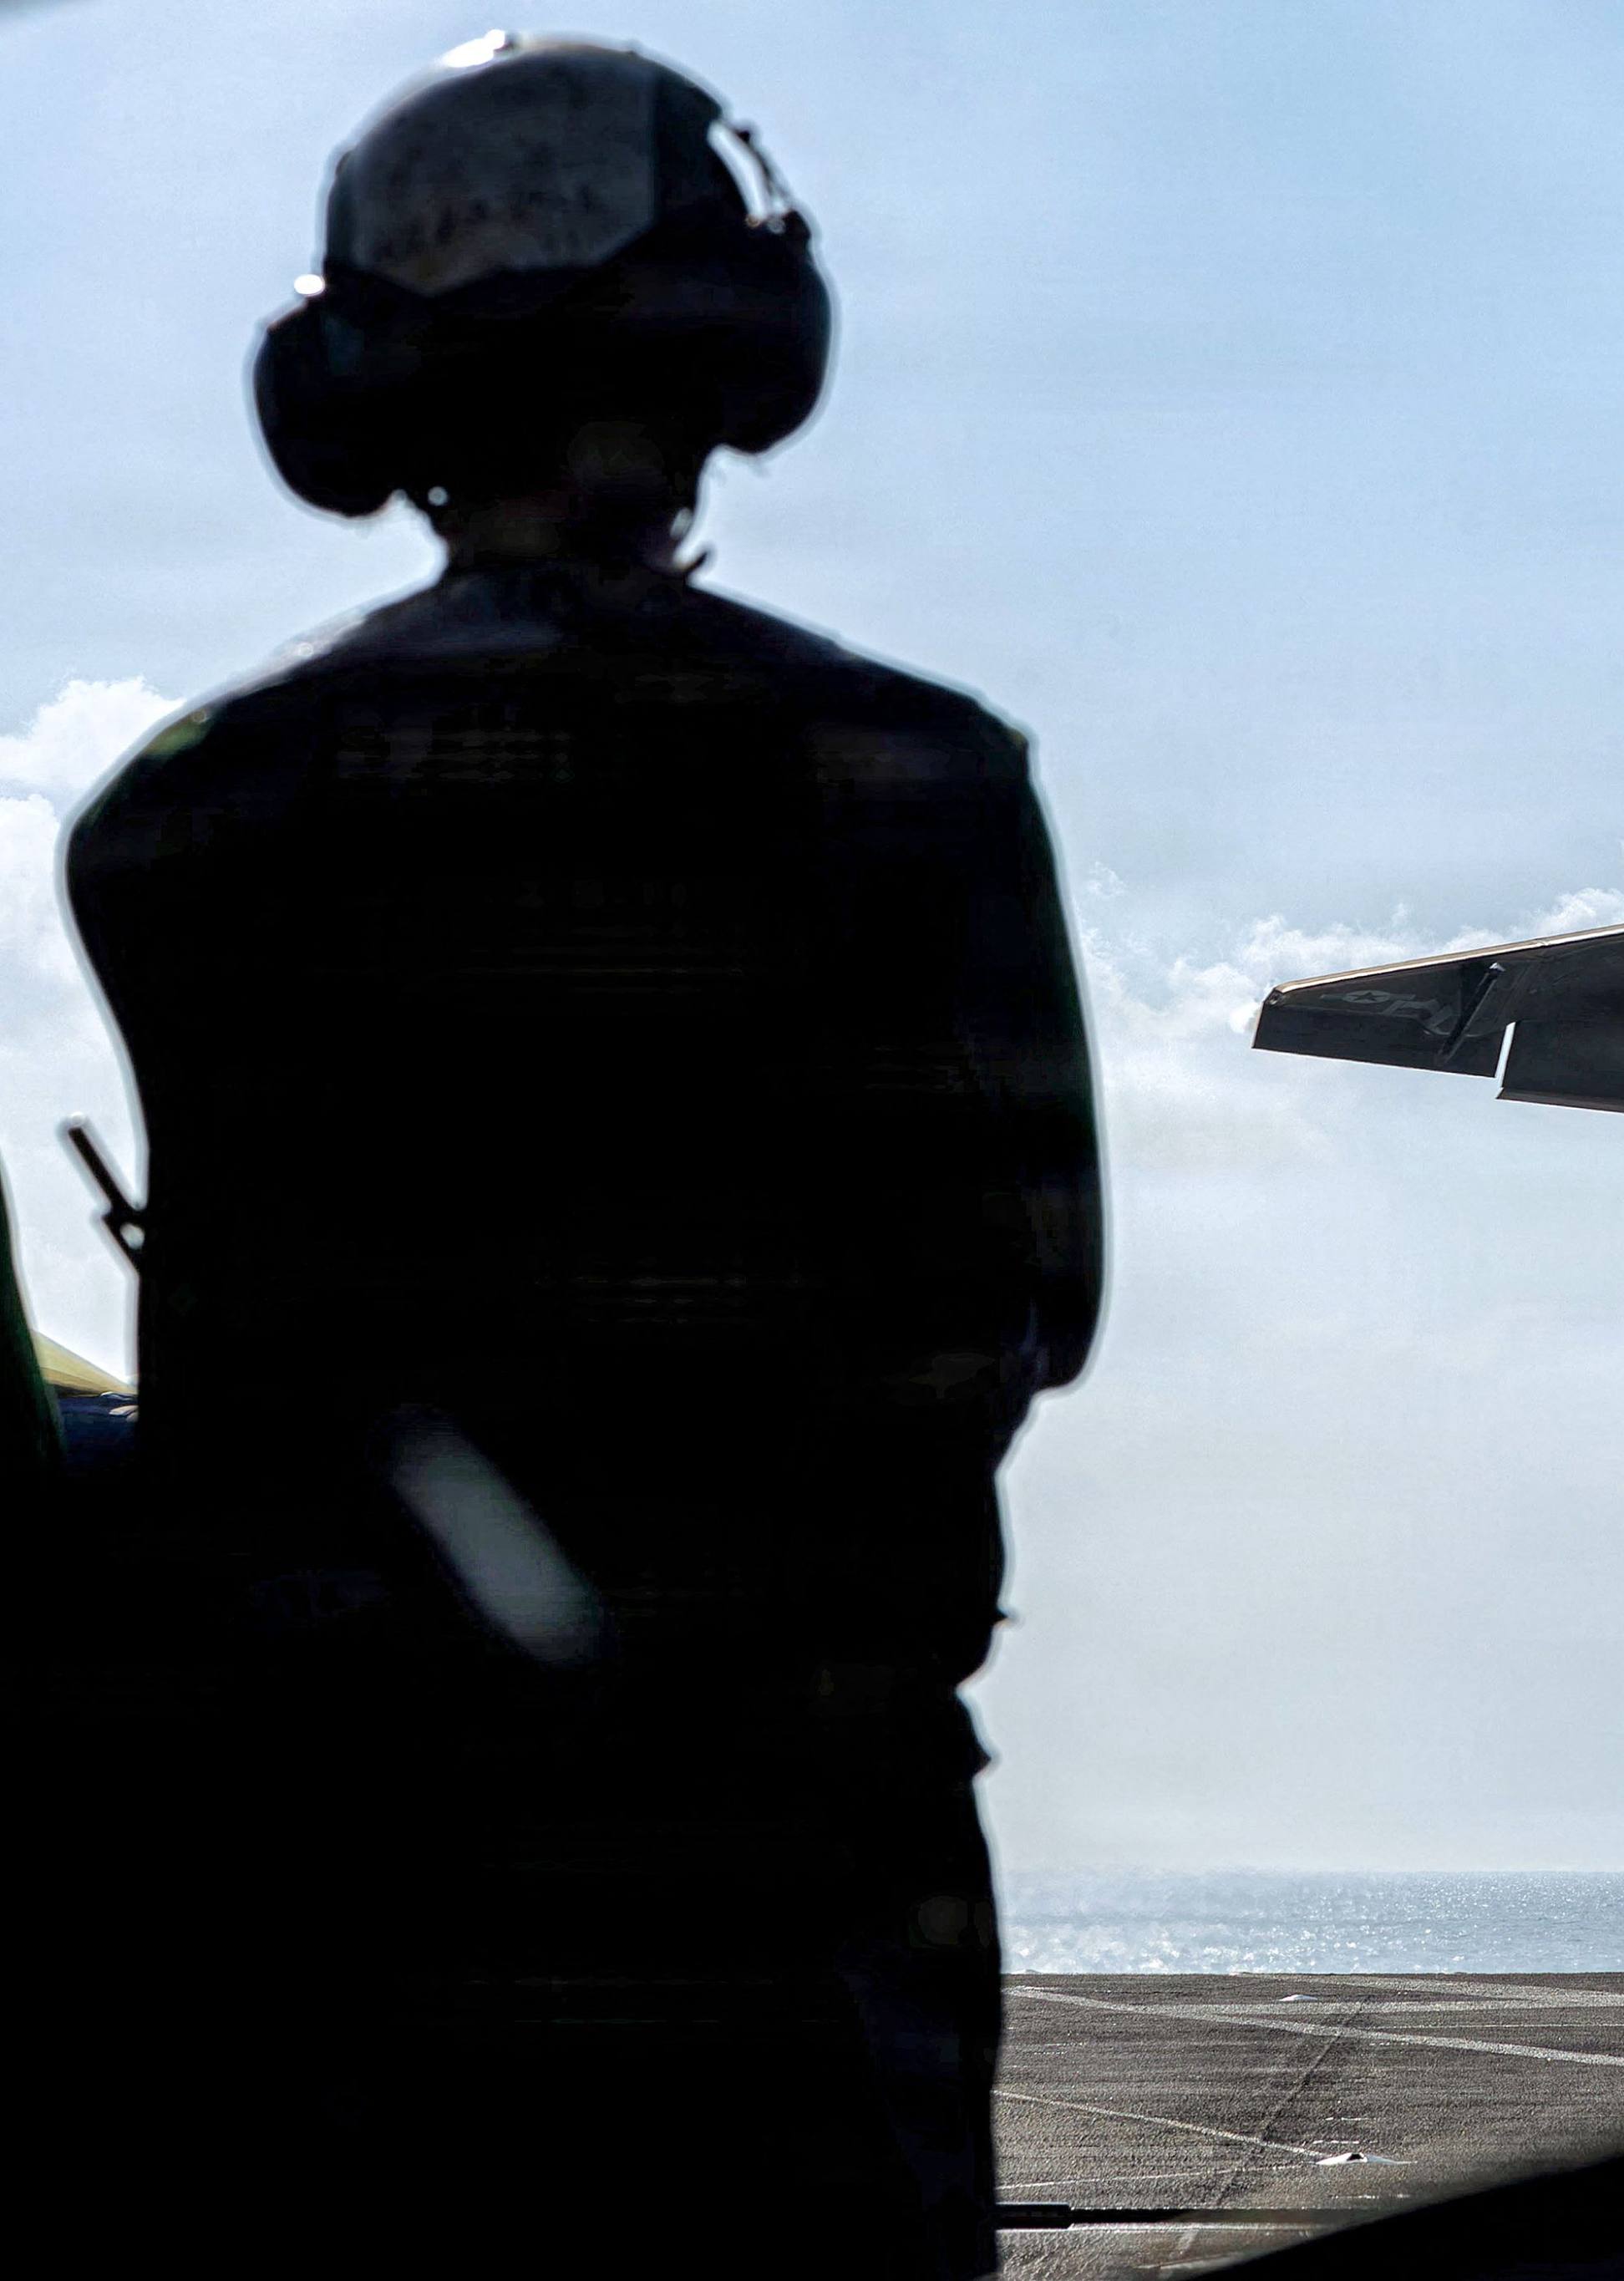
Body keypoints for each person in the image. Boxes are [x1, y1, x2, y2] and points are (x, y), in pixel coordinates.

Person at [62, 37, 1101, 2276]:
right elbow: (1036, 1300)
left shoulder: (178, 820)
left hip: (345, 1907)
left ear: (355, 371)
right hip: (805, 1896)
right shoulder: (921, 780)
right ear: (729, 330)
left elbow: (243, 1363)